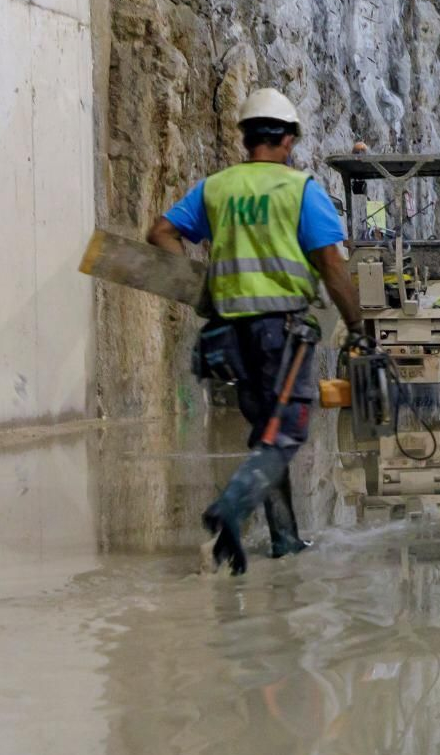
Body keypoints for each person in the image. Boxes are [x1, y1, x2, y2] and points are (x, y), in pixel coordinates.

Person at [148, 88, 366, 575]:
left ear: (246, 137)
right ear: (288, 139)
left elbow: (160, 233)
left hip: (229, 336)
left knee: (266, 435)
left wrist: (199, 288)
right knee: (286, 433)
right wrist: (358, 328)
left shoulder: (215, 187)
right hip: (283, 333)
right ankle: (230, 505)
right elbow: (332, 265)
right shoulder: (300, 190)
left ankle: (286, 540)